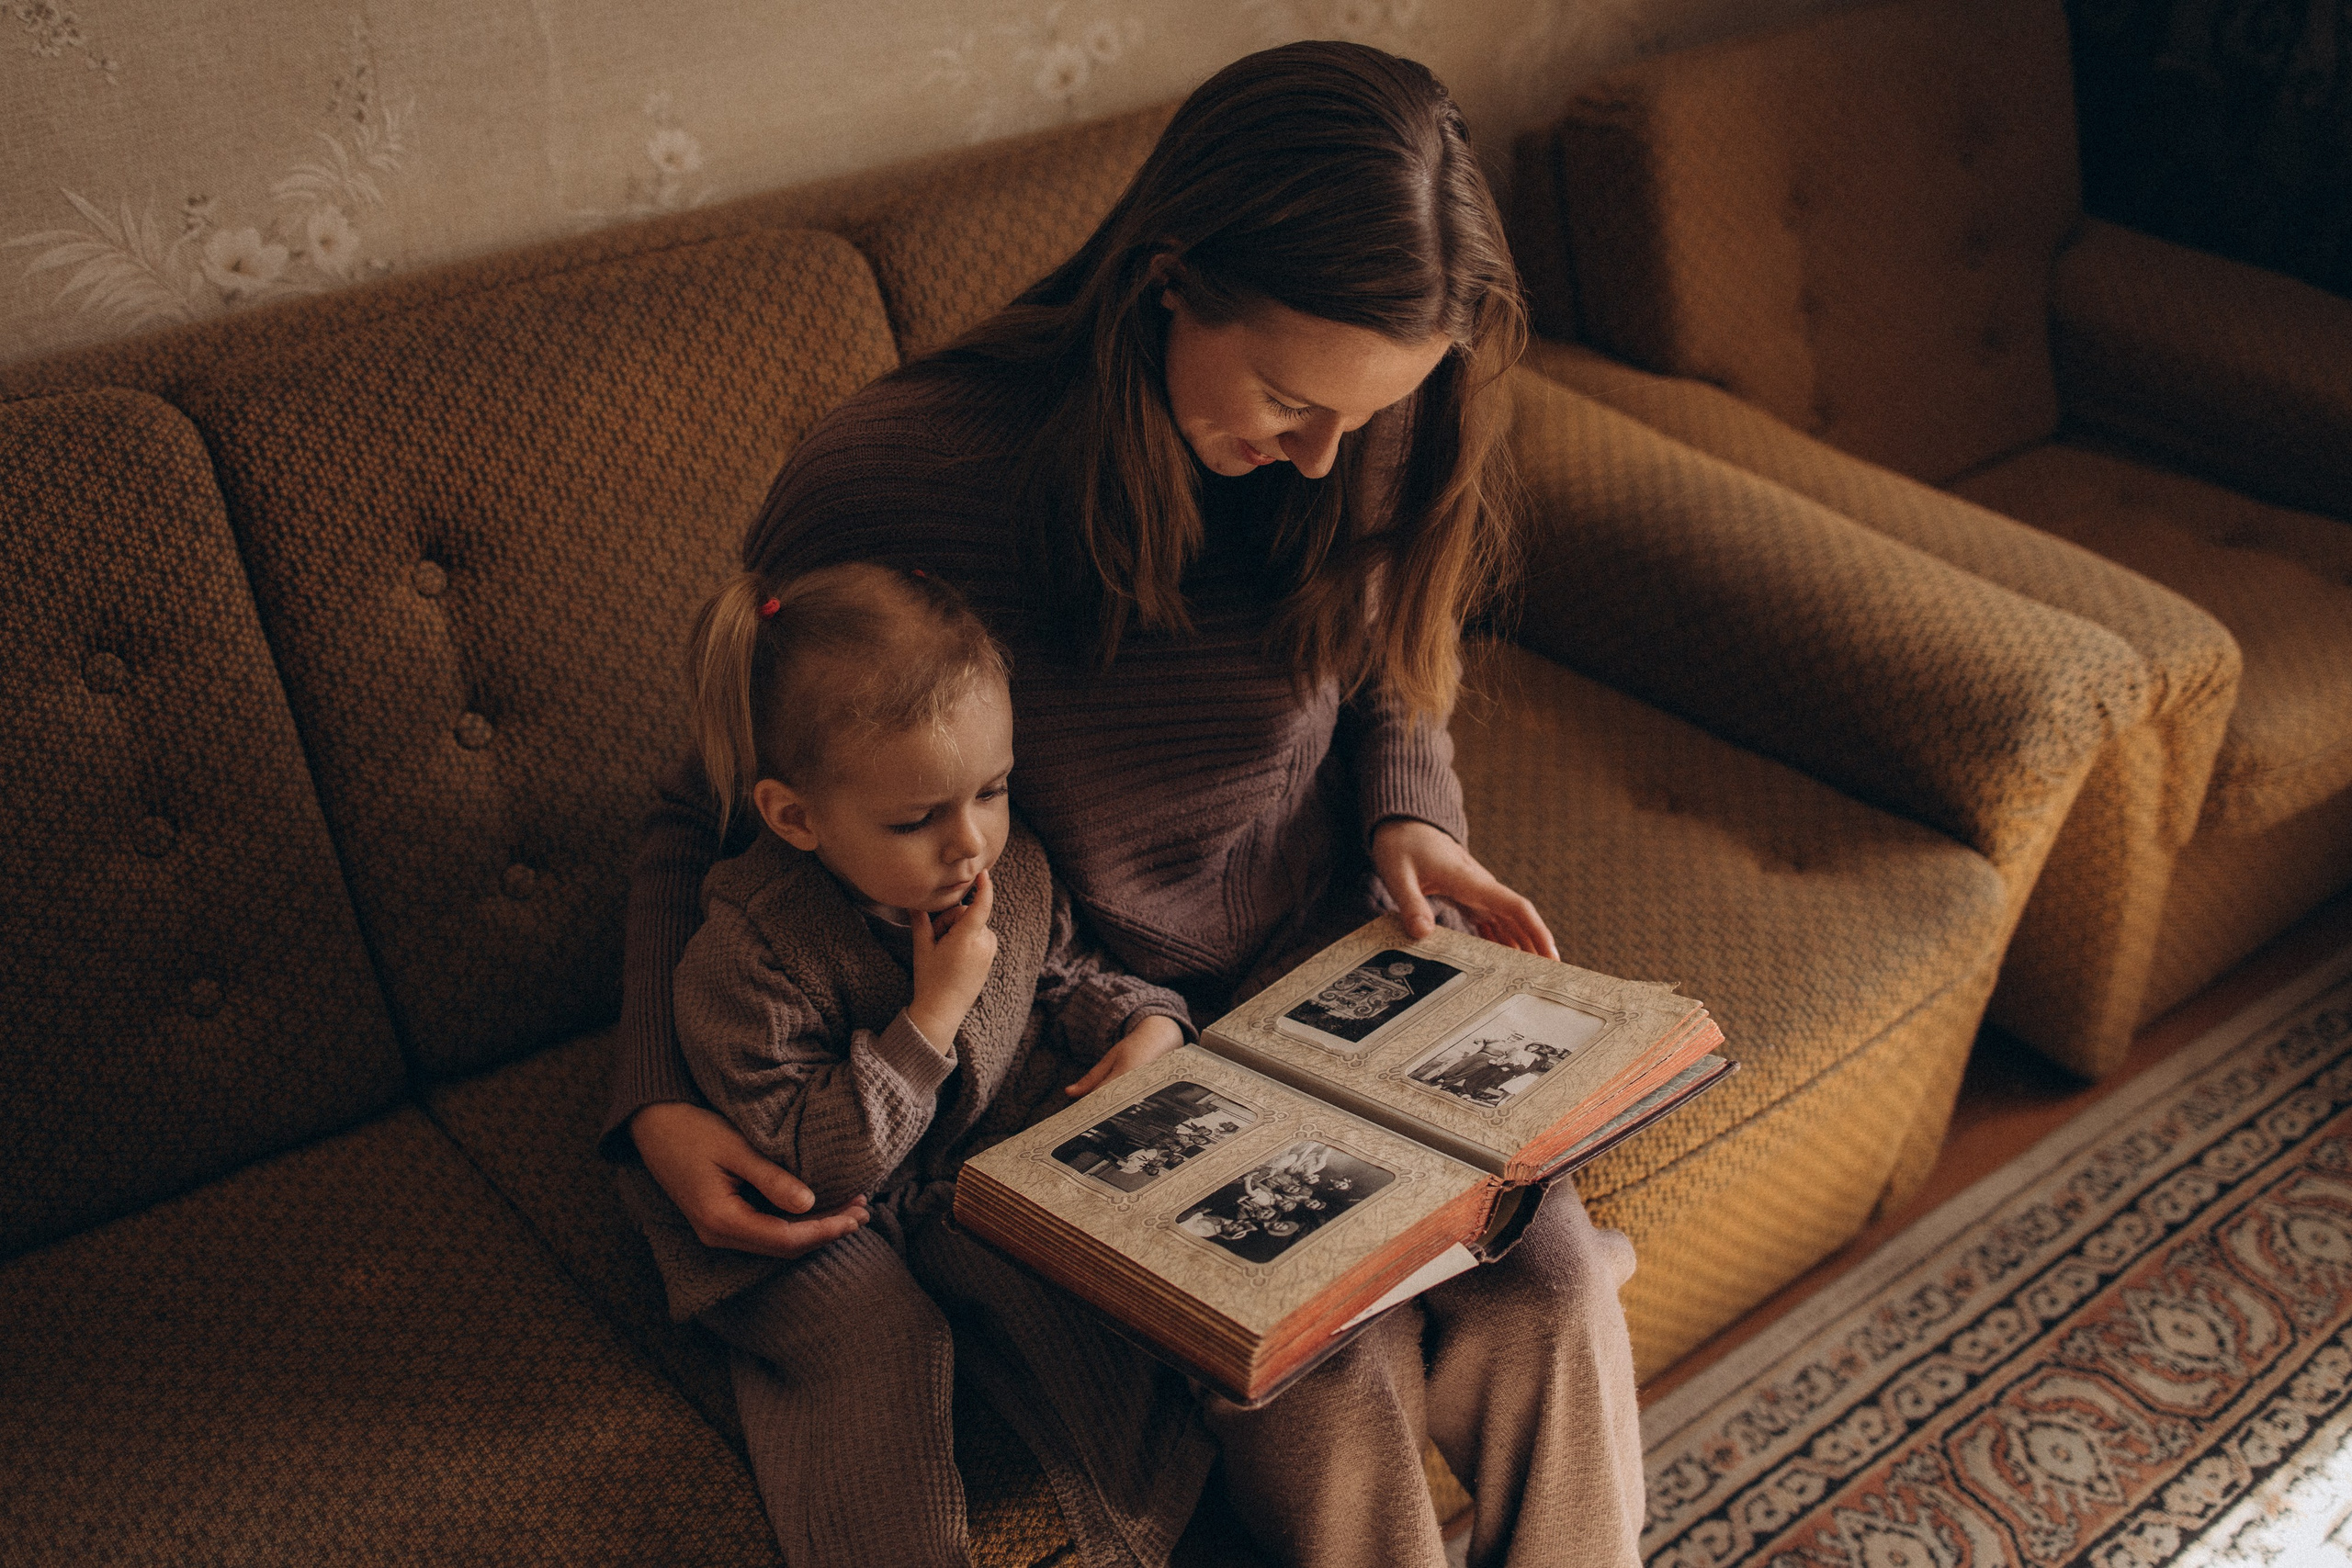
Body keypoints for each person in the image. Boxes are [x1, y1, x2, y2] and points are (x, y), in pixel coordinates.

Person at [606, 38, 1645, 1568]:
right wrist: (655, 1101)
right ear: (1168, 285)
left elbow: (1382, 660)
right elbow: (698, 810)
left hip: (1332, 980)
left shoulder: (1363, 419)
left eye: (1363, 416)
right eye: (1287, 400)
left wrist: (1409, 815)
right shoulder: (902, 479)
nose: (1324, 457)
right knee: (1325, 1361)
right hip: (1097, 1042)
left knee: (1548, 1289)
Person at [616, 560, 1204, 1567]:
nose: (970, 842)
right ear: (796, 817)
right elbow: (811, 1166)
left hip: (948, 1173)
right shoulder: (747, 952)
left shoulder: (1011, 872)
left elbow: (1065, 976)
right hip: (797, 1210)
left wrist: (1148, 1025)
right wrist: (931, 1016)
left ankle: (1169, 1526)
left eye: (993, 790)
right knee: (883, 1338)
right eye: (914, 819)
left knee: (1061, 1293)